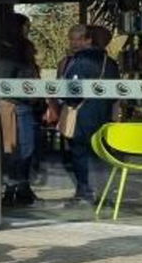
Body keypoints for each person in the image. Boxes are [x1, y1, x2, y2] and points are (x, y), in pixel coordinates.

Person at [45, 24, 119, 205]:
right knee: (100, 154)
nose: (74, 43)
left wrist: (58, 102)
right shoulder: (109, 62)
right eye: (72, 38)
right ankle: (103, 193)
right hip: (103, 114)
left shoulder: (80, 61)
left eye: (79, 38)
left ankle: (85, 191)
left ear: (89, 40)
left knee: (80, 153)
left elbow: (70, 92)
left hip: (82, 115)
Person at [0, 13, 41, 207]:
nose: (28, 30)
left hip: (20, 104)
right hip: (15, 104)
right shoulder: (10, 50)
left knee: (20, 148)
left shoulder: (12, 48)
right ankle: (15, 187)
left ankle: (19, 187)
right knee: (18, 148)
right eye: (26, 26)